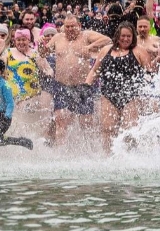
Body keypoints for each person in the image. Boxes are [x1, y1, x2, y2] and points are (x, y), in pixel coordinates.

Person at [85, 20, 154, 153]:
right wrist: (86, 85)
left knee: (129, 131)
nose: (126, 39)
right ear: (117, 36)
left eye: (129, 36)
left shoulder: (139, 51)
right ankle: (108, 157)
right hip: (108, 95)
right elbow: (95, 70)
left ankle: (129, 157)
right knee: (107, 129)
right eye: (123, 36)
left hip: (131, 96)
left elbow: (150, 74)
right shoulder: (106, 50)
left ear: (133, 37)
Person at [43, 14, 112, 145]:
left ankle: (88, 150)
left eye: (73, 26)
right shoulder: (58, 37)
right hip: (61, 85)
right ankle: (60, 153)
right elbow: (45, 53)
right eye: (67, 26)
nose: (69, 29)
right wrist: (42, 48)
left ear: (79, 26)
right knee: (61, 120)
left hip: (82, 86)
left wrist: (90, 47)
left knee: (86, 122)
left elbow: (108, 40)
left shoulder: (86, 35)